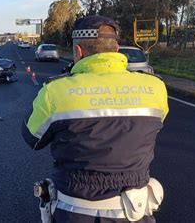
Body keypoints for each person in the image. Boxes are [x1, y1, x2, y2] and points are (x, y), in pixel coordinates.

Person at [22, 16, 169, 222]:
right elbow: (154, 127)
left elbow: (32, 137)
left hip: (74, 212)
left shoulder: (55, 91)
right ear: (117, 50)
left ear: (78, 52)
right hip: (136, 213)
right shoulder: (156, 88)